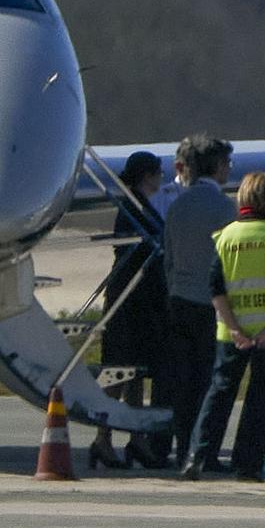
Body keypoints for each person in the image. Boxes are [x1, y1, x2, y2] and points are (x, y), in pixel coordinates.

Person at [179, 172, 265, 482]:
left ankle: (198, 456)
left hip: (232, 331)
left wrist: (235, 327)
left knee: (220, 391)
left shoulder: (226, 237)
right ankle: (249, 464)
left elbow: (216, 288)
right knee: (261, 396)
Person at [90, 151, 171, 470]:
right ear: (147, 175)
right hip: (130, 293)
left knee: (136, 370)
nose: (161, 179)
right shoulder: (132, 206)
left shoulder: (137, 204)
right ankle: (103, 438)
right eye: (157, 174)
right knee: (118, 371)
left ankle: (135, 437)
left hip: (142, 293)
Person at [162, 135, 236, 468]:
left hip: (179, 298)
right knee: (209, 382)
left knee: (183, 381)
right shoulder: (225, 208)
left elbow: (169, 259)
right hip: (210, 305)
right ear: (218, 167)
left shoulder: (177, 205)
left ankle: (182, 449)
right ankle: (202, 450)